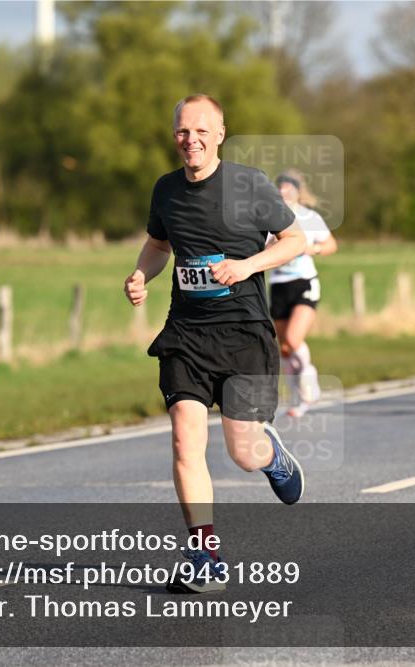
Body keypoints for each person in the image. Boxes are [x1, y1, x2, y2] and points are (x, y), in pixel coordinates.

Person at [124, 94, 307, 593]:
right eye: (184, 131)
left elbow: (295, 240)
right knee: (185, 438)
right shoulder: (166, 190)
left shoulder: (249, 184)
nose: (192, 140)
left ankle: (271, 457)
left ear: (220, 134)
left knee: (243, 453)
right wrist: (141, 274)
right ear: (174, 135)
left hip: (244, 332)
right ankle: (205, 556)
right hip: (186, 332)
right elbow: (158, 245)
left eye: (202, 131)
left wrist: (247, 266)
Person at [268, 169, 338, 418]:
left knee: (294, 339)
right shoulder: (270, 218)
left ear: (298, 192)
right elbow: (261, 249)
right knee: (285, 349)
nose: (284, 191)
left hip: (304, 282)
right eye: (281, 187)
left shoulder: (310, 217)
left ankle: (310, 379)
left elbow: (331, 245)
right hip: (279, 285)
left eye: (289, 188)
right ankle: (299, 399)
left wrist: (312, 248)